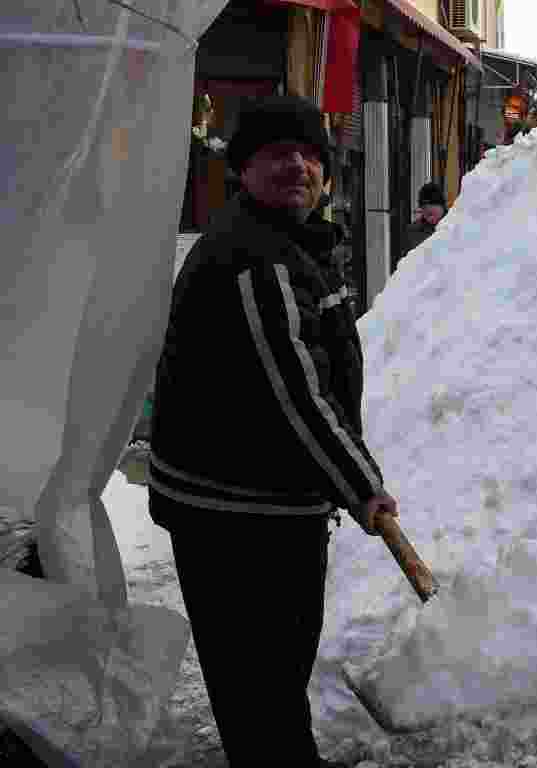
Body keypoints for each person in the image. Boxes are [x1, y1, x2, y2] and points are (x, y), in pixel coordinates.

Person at [147, 93, 397, 768]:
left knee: (262, 677)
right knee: (261, 675)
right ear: (241, 171)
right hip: (240, 513)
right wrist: (360, 485)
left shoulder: (292, 244)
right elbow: (297, 395)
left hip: (248, 499)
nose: (296, 166)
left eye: (310, 154)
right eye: (275, 154)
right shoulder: (256, 259)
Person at [400, 181, 447, 267]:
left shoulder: (455, 227)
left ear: (441, 206)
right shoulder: (412, 232)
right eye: (424, 209)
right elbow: (405, 266)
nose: (427, 214)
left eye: (432, 213)